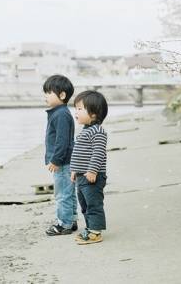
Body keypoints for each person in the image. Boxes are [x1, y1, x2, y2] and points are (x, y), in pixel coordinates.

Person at [70, 90, 108, 245]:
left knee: (93, 204)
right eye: (76, 109)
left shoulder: (98, 131)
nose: (76, 112)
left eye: (80, 109)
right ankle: (90, 227)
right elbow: (79, 154)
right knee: (84, 204)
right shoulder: (85, 131)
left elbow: (98, 153)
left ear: (93, 114)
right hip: (81, 176)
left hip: (93, 176)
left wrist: (92, 170)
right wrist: (74, 170)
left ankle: (95, 232)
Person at [42, 74, 78, 236]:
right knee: (68, 192)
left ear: (62, 95)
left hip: (63, 162)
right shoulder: (59, 113)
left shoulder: (61, 114)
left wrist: (55, 160)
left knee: (62, 193)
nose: (45, 96)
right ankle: (71, 220)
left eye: (49, 93)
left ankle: (64, 224)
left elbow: (62, 141)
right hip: (67, 161)